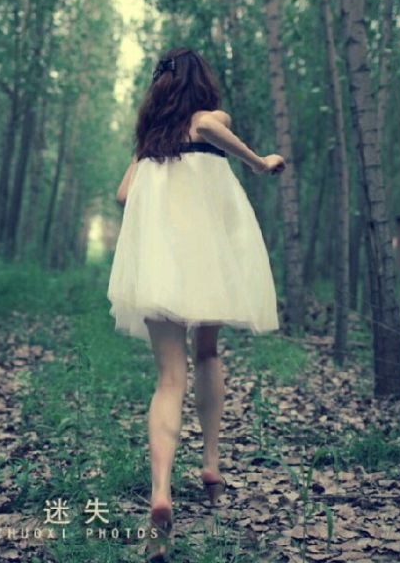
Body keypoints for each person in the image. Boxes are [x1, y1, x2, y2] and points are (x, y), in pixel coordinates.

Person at [107, 46, 285, 561]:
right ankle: (209, 463)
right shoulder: (210, 118)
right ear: (200, 83)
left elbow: (123, 194)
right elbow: (207, 125)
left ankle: (161, 491)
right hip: (207, 262)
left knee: (169, 379)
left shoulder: (150, 141)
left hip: (162, 265)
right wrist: (259, 162)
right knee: (207, 354)